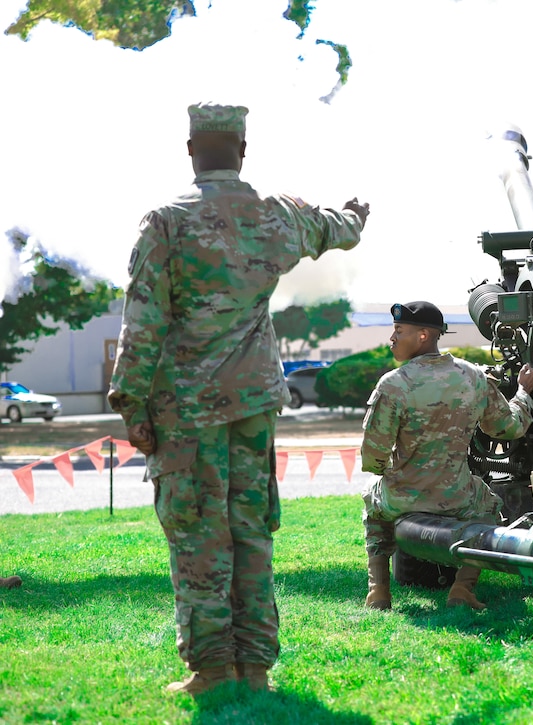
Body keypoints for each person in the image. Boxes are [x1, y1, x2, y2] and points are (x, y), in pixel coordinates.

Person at [108, 102, 370, 695]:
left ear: (191, 149)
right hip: (253, 403)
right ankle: (255, 669)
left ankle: (210, 668)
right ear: (243, 149)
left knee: (200, 532)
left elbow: (142, 323)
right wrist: (354, 214)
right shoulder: (276, 214)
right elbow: (339, 228)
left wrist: (132, 404)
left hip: (185, 409)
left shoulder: (166, 222)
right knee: (250, 530)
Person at [360, 301, 533, 611]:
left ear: (424, 336)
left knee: (374, 505)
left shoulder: (392, 385)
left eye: (399, 331)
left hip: (401, 497)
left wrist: (396, 474)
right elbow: (509, 428)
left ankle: (378, 592)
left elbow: (373, 458)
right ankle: (462, 588)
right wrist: (524, 392)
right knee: (489, 505)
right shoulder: (472, 376)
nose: (392, 338)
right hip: (456, 496)